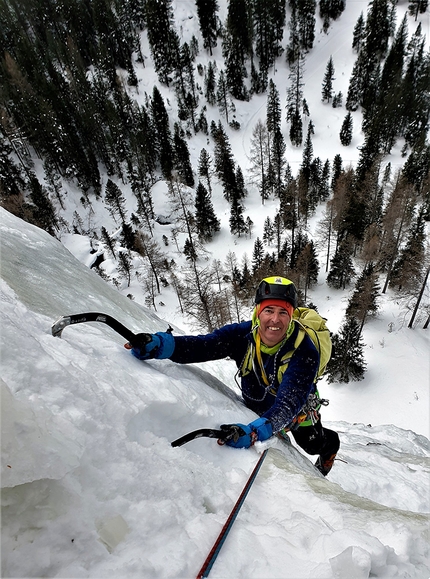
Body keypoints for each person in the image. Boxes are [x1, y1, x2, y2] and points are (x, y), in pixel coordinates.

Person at [130, 276, 340, 476]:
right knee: (272, 419)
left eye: (283, 312)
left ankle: (330, 446)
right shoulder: (242, 335)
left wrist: (256, 432)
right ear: (258, 312)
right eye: (268, 310)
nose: (275, 320)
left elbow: (288, 404)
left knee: (311, 445)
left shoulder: (304, 351)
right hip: (260, 405)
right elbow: (204, 346)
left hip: (296, 410)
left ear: (291, 316)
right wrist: (160, 345)